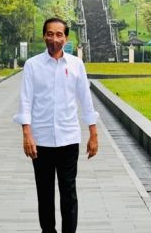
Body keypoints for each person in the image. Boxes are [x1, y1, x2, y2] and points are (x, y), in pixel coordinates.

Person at [13, 17, 99, 233]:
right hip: (40, 141)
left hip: (69, 139)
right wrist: (27, 134)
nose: (54, 38)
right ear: (44, 36)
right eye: (50, 34)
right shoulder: (32, 65)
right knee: (45, 194)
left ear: (66, 38)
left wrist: (93, 133)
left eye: (59, 34)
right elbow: (25, 101)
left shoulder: (76, 65)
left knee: (69, 193)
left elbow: (85, 100)